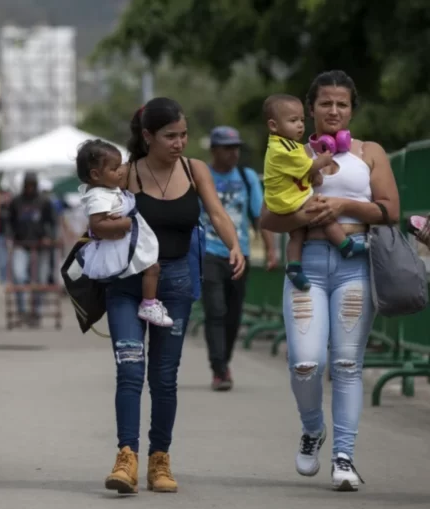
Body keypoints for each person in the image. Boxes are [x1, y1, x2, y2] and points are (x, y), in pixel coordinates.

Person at [259, 70, 399, 492]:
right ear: (310, 109)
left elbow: (391, 210)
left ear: (352, 108)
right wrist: (307, 215)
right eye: (325, 103)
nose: (333, 110)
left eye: (342, 103)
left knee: (345, 364)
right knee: (305, 362)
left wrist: (340, 204)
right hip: (309, 267)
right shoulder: (290, 151)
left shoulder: (369, 151)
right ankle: (312, 427)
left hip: (356, 264)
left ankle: (344, 456)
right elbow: (267, 216)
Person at [102, 98, 245, 494]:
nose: (179, 143)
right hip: (128, 284)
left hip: (177, 280)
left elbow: (216, 212)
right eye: (170, 136)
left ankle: (159, 459)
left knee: (164, 378)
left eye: (183, 134)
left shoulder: (194, 169)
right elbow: (98, 216)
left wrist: (234, 245)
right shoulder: (127, 174)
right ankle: (126, 457)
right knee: (130, 370)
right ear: (147, 136)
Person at [199, 126, 278, 391]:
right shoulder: (202, 176)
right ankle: (219, 369)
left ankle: (224, 362)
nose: (233, 153)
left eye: (236, 148)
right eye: (227, 148)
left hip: (238, 253)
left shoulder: (246, 177)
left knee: (233, 314)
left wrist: (270, 249)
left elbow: (259, 216)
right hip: (208, 252)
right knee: (216, 310)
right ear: (214, 150)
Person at [262, 94, 367, 291]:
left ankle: (293, 266)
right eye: (293, 121)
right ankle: (345, 245)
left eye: (301, 120)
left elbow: (299, 172)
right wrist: (324, 159)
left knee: (297, 233)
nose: (300, 125)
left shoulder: (287, 144)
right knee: (321, 207)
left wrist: (313, 175)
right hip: (287, 200)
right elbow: (309, 166)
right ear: (274, 126)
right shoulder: (284, 148)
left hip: (285, 197)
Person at [75, 139, 172, 326]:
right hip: (118, 246)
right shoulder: (98, 196)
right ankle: (149, 304)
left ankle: (149, 303)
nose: (121, 171)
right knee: (152, 267)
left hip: (122, 242)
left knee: (152, 267)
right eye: (114, 168)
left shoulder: (108, 190)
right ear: (95, 175)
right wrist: (125, 224)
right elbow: (97, 225)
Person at [7, 172, 56, 325]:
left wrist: (49, 236)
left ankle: (37, 311)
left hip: (40, 245)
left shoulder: (44, 201)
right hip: (21, 244)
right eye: (26, 185)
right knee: (19, 276)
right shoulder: (16, 202)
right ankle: (22, 310)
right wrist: (10, 237)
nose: (29, 189)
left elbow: (52, 222)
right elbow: (9, 221)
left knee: (40, 279)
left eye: (31, 185)